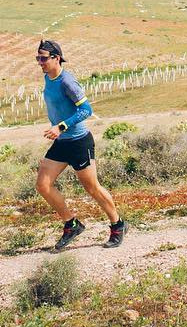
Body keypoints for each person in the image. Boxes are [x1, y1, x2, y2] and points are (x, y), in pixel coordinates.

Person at [33, 39, 125, 250]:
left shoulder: (67, 82)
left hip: (79, 142)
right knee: (42, 185)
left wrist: (61, 126)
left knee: (92, 188)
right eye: (38, 58)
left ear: (56, 58)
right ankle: (71, 224)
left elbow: (86, 110)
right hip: (62, 143)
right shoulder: (49, 77)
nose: (40, 62)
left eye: (43, 58)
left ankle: (118, 225)